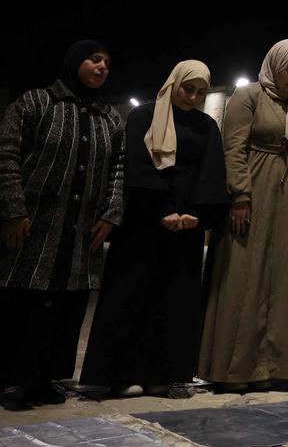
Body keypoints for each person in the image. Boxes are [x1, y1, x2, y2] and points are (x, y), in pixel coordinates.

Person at [80, 61, 227, 398]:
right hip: (144, 223)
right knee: (133, 296)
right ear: (173, 83)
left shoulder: (206, 126)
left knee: (173, 301)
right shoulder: (144, 116)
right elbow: (134, 165)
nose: (193, 97)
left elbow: (212, 173)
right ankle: (122, 375)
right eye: (188, 89)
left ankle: (164, 374)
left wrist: (196, 216)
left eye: (201, 92)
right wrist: (161, 211)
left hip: (185, 226)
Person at [1, 41, 124, 408]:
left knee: (66, 308)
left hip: (81, 231)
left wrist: (110, 215)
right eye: (94, 59)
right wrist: (12, 211)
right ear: (75, 62)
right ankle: (10, 380)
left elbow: (119, 168)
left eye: (107, 62)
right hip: (31, 225)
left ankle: (44, 378)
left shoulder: (109, 117)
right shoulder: (37, 102)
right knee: (22, 301)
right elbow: (5, 154)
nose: (102, 67)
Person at [199, 39, 288, 391]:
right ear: (274, 65)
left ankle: (276, 367)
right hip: (254, 191)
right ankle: (237, 369)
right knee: (245, 275)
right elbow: (233, 147)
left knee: (283, 280)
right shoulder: (248, 96)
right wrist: (240, 195)